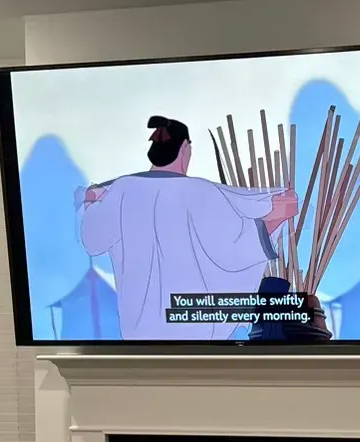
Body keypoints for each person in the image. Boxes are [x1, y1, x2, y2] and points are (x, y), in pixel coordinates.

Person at [78, 115, 298, 341]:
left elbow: (92, 240)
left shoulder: (121, 191)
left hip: (138, 336)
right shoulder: (201, 192)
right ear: (185, 148)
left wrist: (91, 202)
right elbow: (235, 250)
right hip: (193, 330)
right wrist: (276, 216)